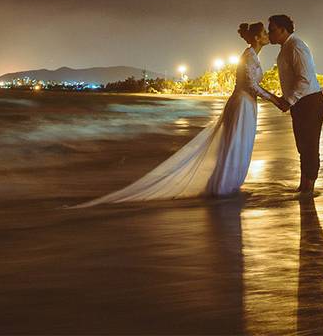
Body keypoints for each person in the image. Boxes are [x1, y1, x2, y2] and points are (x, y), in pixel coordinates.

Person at [65, 22, 285, 207]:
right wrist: (276, 99)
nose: (268, 35)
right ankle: (223, 188)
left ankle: (227, 186)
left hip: (248, 105)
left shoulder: (253, 56)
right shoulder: (248, 56)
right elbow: (250, 86)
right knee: (234, 144)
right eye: (265, 33)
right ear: (257, 37)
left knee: (239, 145)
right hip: (242, 105)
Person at [267, 14, 323, 195]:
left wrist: (288, 101)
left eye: (272, 30)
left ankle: (309, 188)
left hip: (310, 102)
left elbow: (305, 78)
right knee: (302, 145)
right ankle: (304, 185)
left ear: (284, 30)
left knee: (309, 145)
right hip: (300, 103)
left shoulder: (296, 46)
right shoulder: (286, 47)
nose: (269, 34)